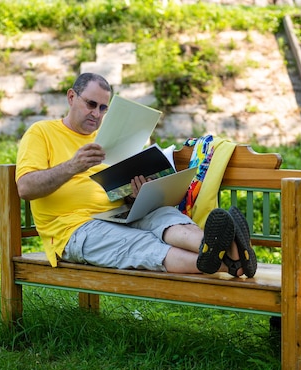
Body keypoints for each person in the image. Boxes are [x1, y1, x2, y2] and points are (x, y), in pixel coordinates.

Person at [16, 72, 256, 277]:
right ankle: (231, 263)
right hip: (73, 229)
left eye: (103, 108)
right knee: (141, 245)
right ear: (71, 97)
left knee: (164, 215)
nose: (97, 114)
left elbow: (117, 188)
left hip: (119, 214)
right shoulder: (42, 132)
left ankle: (218, 250)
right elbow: (26, 188)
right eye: (91, 104)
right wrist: (72, 166)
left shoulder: (109, 138)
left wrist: (136, 193)